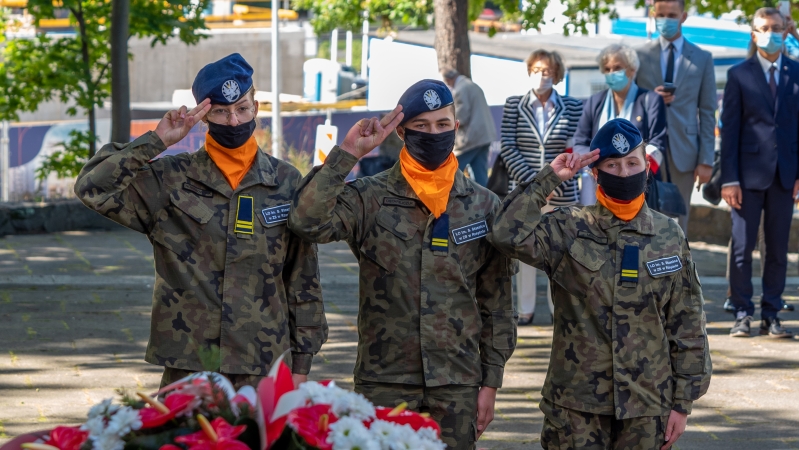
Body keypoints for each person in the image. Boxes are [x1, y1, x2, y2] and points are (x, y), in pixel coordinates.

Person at [74, 53, 328, 389]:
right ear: (204, 116)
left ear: (256, 107)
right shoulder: (170, 179)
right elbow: (91, 188)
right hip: (189, 361)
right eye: (221, 111)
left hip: (263, 361)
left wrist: (302, 361)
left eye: (242, 108)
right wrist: (156, 141)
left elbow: (302, 278)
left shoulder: (286, 181)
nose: (234, 121)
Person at [288, 80, 516, 450]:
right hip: (385, 381)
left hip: (456, 383)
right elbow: (306, 221)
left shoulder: (484, 205)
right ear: (401, 131)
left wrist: (491, 382)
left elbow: (497, 303)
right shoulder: (369, 197)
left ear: (456, 127)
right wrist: (348, 154)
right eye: (421, 125)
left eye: (442, 124)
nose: (433, 133)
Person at [489, 118, 711, 450]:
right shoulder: (568, 227)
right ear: (595, 173)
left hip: (647, 406)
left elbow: (687, 320)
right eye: (612, 165)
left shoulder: (668, 234)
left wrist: (683, 402)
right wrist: (549, 178)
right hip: (576, 409)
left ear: (646, 168)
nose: (624, 173)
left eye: (632, 163)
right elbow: (504, 234)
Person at [721, 7, 799, 338]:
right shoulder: (739, 74)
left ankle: (772, 313)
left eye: (777, 28)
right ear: (754, 34)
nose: (771, 33)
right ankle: (742, 312)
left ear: (785, 32)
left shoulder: (796, 72)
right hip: (746, 178)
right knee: (742, 249)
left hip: (785, 177)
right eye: (764, 28)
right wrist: (729, 179)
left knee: (778, 250)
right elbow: (730, 130)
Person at [498, 49, 584, 325]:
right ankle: (525, 309)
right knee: (524, 250)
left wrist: (555, 181)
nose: (541, 75)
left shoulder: (573, 106)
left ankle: (558, 309)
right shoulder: (514, 104)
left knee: (560, 251)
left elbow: (575, 147)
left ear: (557, 75)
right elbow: (508, 147)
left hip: (562, 193)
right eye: (536, 70)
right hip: (525, 191)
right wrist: (537, 184)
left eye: (546, 71)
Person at [635, 0, 717, 232]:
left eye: (672, 15)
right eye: (661, 14)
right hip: (645, 149)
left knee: (679, 222)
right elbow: (630, 98)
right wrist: (651, 97)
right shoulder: (639, 55)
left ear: (684, 16)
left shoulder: (702, 58)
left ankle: (679, 257)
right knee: (643, 217)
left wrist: (706, 160)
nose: (666, 20)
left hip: (686, 152)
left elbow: (708, 111)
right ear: (653, 14)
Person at [574, 44, 668, 194]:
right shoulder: (594, 102)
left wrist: (635, 170)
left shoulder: (650, 100)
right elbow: (580, 142)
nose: (611, 73)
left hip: (639, 184)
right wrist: (595, 164)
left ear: (632, 69)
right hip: (600, 183)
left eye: (617, 68)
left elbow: (657, 143)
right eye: (607, 69)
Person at [441, 68, 497, 187]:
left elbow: (461, 116)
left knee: (452, 169)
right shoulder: (472, 85)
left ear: (448, 80)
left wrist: (445, 121)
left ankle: (445, 195)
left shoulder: (460, 89)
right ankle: (484, 198)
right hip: (484, 136)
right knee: (480, 175)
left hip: (472, 138)